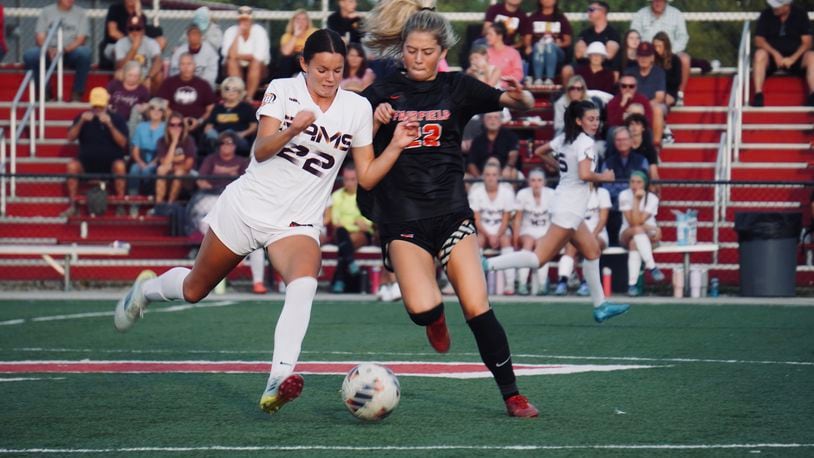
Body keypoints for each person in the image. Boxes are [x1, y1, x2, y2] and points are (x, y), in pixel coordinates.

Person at [114, 29, 418, 416]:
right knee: (194, 289)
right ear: (304, 64)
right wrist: (293, 129)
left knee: (305, 283)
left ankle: (278, 380)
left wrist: (394, 145)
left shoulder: (356, 108)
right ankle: (145, 291)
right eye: (321, 69)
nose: (329, 77)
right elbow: (260, 149)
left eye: (337, 70)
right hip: (246, 208)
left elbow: (368, 176)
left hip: (296, 223)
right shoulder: (283, 89)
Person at [361, 0, 539, 417]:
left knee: (478, 307)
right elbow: (356, 151)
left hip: (451, 212)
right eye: (411, 51)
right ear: (401, 48)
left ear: (442, 52)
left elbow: (521, 104)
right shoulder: (380, 93)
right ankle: (435, 317)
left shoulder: (458, 86)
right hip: (402, 218)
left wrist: (521, 95)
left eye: (427, 52)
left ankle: (512, 393)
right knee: (423, 309)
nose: (419, 59)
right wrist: (373, 119)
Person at [484, 100, 629, 324]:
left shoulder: (565, 139)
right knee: (538, 259)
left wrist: (558, 167)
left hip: (567, 204)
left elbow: (541, 151)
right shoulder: (585, 143)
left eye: (597, 118)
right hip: (569, 208)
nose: (595, 123)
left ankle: (601, 306)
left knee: (592, 253)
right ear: (578, 121)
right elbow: (583, 174)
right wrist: (604, 177)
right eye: (590, 119)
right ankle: (486, 265)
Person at [191, 131, 267, 294]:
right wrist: (215, 185)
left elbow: (249, 184)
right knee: (208, 225)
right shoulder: (211, 159)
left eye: (230, 143)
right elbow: (201, 181)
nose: (227, 146)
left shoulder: (242, 161)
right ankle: (220, 273)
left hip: (237, 199)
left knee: (258, 245)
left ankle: (257, 282)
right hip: (212, 197)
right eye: (224, 143)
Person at [62, 87, 128, 217]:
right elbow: (70, 138)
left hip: (110, 164)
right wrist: (81, 121)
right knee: (72, 166)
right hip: (87, 163)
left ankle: (120, 205)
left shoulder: (117, 118)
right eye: (95, 106)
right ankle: (73, 205)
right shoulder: (82, 118)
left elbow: (123, 143)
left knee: (120, 166)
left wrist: (110, 125)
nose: (98, 109)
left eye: (101, 106)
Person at [23, 0, 91, 102]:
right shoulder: (46, 11)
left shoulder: (81, 13)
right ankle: (44, 92)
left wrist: (63, 50)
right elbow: (40, 37)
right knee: (30, 55)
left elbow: (81, 39)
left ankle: (77, 93)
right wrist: (48, 49)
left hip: (69, 52)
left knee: (85, 53)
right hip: (49, 52)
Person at [751, 0, 814, 107]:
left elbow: (807, 43)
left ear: (787, 6)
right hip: (772, 58)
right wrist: (775, 54)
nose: (774, 8)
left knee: (812, 57)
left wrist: (793, 59)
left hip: (795, 58)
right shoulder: (766, 14)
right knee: (759, 54)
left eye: (777, 6)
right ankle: (758, 95)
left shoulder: (800, 14)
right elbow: (758, 40)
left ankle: (813, 95)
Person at [630, 0, 690, 106]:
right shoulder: (640, 14)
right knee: (631, 56)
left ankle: (680, 94)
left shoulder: (676, 14)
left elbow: (683, 37)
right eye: (655, 1)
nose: (658, 3)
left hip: (671, 52)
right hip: (646, 52)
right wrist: (647, 52)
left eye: (661, 1)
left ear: (666, 2)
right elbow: (634, 35)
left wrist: (669, 51)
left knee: (685, 59)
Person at [554, 185, 611, 297]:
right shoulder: (572, 193)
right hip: (576, 233)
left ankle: (587, 283)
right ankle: (563, 281)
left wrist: (590, 236)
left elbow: (603, 220)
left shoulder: (602, 193)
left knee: (591, 245)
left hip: (598, 234)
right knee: (570, 247)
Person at [470, 162, 517, 295]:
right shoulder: (476, 192)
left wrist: (496, 235)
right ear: (483, 176)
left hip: (500, 229)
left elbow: (506, 219)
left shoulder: (507, 192)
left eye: (494, 175)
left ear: (499, 176)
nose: (491, 178)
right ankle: (475, 284)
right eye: (488, 175)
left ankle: (510, 284)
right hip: (482, 229)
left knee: (506, 241)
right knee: (476, 242)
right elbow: (476, 219)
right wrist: (489, 235)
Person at [329, 164, 375, 294]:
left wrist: (359, 224)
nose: (348, 183)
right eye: (346, 179)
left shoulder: (366, 196)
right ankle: (349, 264)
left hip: (360, 234)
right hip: (343, 233)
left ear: (358, 178)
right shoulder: (337, 195)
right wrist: (354, 223)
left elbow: (366, 224)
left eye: (352, 179)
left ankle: (340, 278)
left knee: (346, 242)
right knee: (343, 234)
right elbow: (336, 222)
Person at [619, 170, 664, 296]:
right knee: (637, 230)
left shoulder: (652, 198)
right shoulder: (624, 195)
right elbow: (633, 223)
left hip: (647, 237)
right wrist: (636, 201)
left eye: (639, 182)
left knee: (635, 243)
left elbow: (638, 222)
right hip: (626, 233)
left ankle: (632, 285)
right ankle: (653, 267)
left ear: (645, 184)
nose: (635, 185)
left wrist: (651, 230)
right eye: (632, 182)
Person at [512, 169, 555, 295]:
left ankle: (542, 284)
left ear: (544, 182)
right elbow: (518, 218)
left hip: (545, 230)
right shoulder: (522, 194)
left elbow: (555, 219)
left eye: (539, 180)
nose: (536, 184)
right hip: (527, 230)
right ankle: (522, 283)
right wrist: (515, 237)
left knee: (543, 245)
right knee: (528, 243)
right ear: (529, 182)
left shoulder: (552, 194)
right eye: (533, 180)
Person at [157, 53, 216, 134]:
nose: (186, 67)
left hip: (198, 126)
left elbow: (210, 109)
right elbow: (163, 106)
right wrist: (178, 121)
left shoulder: (204, 84)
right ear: (178, 66)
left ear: (195, 65)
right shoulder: (169, 83)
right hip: (174, 125)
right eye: (182, 64)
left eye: (189, 64)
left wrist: (199, 121)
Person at [222, 6, 271, 101]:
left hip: (259, 68)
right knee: (232, 62)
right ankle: (238, 98)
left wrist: (237, 56)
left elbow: (258, 57)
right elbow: (229, 55)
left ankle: (249, 97)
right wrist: (238, 34)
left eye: (247, 20)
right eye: (242, 20)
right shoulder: (230, 31)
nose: (244, 22)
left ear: (251, 20)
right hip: (236, 66)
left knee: (255, 63)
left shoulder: (259, 31)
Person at [99, 0, 165, 70]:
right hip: (115, 44)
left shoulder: (141, 15)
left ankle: (147, 69)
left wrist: (138, 12)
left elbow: (141, 31)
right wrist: (129, 41)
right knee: (117, 50)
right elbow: (112, 32)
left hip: (136, 43)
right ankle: (122, 71)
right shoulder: (115, 8)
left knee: (161, 41)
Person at [202, 76, 257, 157]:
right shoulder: (217, 108)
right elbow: (208, 127)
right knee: (212, 135)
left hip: (238, 138)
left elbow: (254, 126)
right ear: (223, 91)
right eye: (227, 89)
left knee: (229, 133)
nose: (231, 92)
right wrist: (211, 133)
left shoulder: (246, 107)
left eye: (235, 89)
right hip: (219, 138)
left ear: (240, 92)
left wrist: (242, 134)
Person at [152, 111, 196, 206]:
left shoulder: (189, 140)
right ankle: (159, 205)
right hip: (168, 172)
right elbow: (165, 163)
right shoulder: (162, 141)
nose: (176, 128)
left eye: (179, 125)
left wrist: (173, 161)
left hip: (186, 175)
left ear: (183, 127)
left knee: (179, 172)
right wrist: (174, 142)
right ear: (167, 127)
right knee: (161, 169)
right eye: (172, 125)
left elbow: (188, 165)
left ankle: (170, 205)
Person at [114, 14, 163, 93]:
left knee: (159, 76)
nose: (134, 32)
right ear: (127, 30)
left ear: (143, 30)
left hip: (145, 75)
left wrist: (149, 77)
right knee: (118, 74)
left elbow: (158, 61)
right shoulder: (120, 43)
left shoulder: (151, 42)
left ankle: (152, 99)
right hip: (129, 76)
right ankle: (123, 98)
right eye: (131, 29)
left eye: (138, 28)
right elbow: (120, 66)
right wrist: (134, 48)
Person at [602, 126, 649, 209]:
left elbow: (642, 184)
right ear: (614, 142)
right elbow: (606, 188)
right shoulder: (608, 163)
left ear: (631, 141)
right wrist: (627, 189)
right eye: (618, 140)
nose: (621, 142)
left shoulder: (642, 160)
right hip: (614, 206)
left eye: (624, 139)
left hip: (636, 204)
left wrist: (620, 188)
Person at [631, 43, 669, 144]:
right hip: (635, 105)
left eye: (647, 56)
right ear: (637, 57)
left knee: (657, 109)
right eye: (641, 56)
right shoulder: (630, 72)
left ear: (652, 57)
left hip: (654, 104)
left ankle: (655, 144)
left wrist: (644, 106)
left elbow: (660, 97)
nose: (644, 59)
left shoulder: (659, 72)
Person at [527, 0, 572, 86]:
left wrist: (558, 44)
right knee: (539, 45)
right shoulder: (533, 17)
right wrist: (528, 46)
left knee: (550, 46)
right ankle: (538, 79)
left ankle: (549, 79)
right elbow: (527, 38)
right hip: (537, 51)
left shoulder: (561, 18)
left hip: (557, 53)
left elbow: (568, 41)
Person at [129, 97, 167, 195]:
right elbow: (135, 149)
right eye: (153, 108)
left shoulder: (166, 128)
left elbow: (164, 150)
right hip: (142, 158)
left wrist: (152, 164)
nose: (156, 111)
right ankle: (134, 200)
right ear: (149, 111)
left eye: (160, 109)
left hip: (158, 160)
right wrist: (140, 162)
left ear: (163, 113)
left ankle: (149, 198)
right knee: (134, 169)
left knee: (148, 171)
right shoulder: (141, 126)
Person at [466, 112, 520, 178]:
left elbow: (513, 155)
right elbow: (471, 162)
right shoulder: (478, 139)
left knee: (513, 172)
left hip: (504, 174)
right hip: (482, 175)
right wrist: (478, 178)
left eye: (496, 117)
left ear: (501, 120)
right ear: (484, 121)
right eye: (489, 117)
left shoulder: (510, 136)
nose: (492, 120)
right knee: (464, 176)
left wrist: (508, 167)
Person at [573, 2, 620, 71]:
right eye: (588, 10)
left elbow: (609, 55)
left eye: (591, 10)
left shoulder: (613, 34)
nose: (588, 13)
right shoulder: (584, 33)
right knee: (567, 70)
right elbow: (578, 54)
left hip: (605, 70)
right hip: (584, 68)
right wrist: (601, 52)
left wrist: (587, 51)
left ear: (602, 11)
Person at [606, 73, 657, 137]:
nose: (627, 89)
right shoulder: (613, 101)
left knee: (648, 131)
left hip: (639, 129)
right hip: (621, 129)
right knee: (611, 131)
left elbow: (648, 121)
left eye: (631, 86)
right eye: (624, 86)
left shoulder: (643, 100)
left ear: (636, 87)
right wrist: (622, 105)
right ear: (620, 87)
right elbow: (612, 123)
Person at [170, 24, 219, 89]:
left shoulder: (210, 51)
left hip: (203, 86)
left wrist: (197, 83)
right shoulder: (179, 52)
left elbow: (212, 74)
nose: (194, 36)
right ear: (187, 37)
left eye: (196, 34)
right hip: (182, 85)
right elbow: (174, 72)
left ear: (201, 36)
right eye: (191, 34)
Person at [279, 9, 318, 79]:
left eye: (304, 19)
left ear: (307, 22)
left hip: (309, 58)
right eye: (298, 19)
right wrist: (295, 35)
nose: (301, 22)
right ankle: (284, 84)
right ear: (293, 22)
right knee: (286, 60)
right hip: (294, 61)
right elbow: (286, 53)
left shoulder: (314, 32)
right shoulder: (287, 36)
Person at [625, 113, 660, 189]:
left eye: (638, 124)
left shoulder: (649, 148)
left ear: (643, 128)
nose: (634, 127)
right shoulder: (623, 145)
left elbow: (653, 171)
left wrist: (655, 187)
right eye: (631, 124)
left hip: (643, 182)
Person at [652, 32, 682, 107]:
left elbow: (677, 80)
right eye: (655, 46)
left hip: (669, 92)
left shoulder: (675, 59)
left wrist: (662, 78)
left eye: (659, 46)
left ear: (666, 46)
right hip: (654, 92)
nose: (657, 49)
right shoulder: (652, 59)